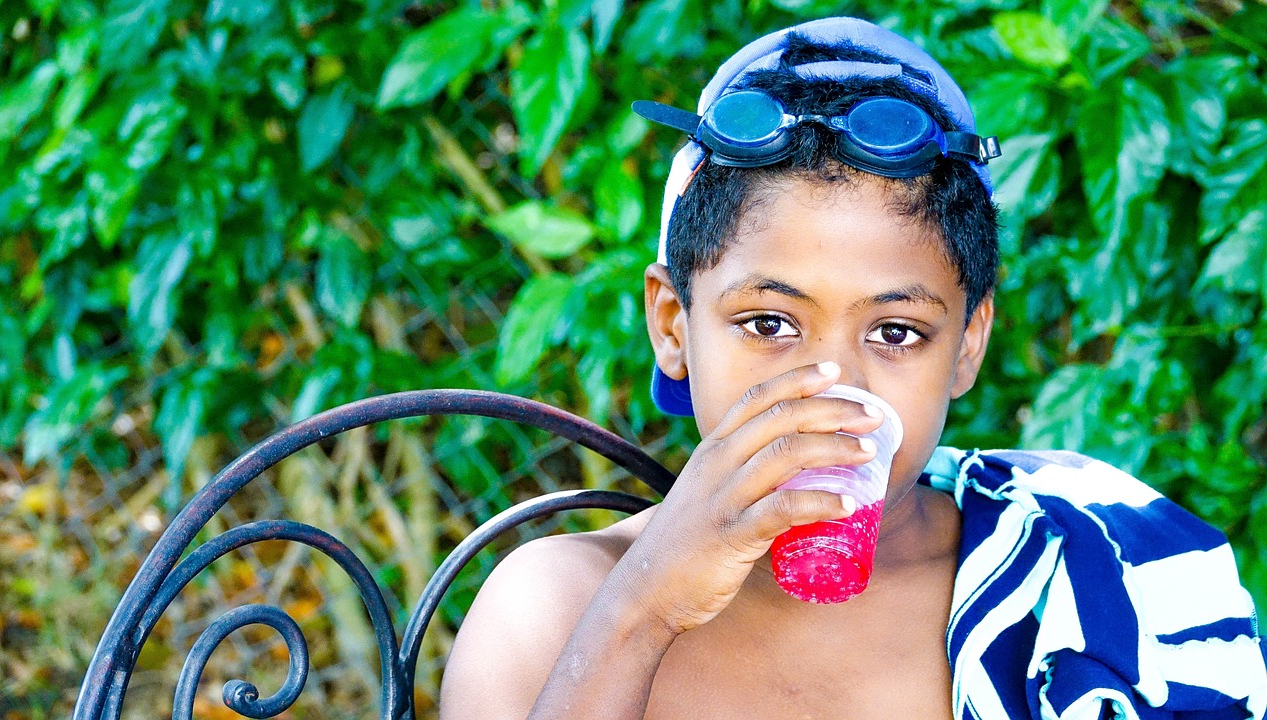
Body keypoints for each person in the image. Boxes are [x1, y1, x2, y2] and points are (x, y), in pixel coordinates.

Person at [439, 17, 1267, 719]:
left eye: (898, 333)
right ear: (672, 327)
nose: (833, 387)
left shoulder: (1095, 578)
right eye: (769, 323)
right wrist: (640, 613)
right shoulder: (554, 612)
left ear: (969, 344)